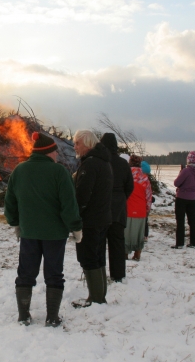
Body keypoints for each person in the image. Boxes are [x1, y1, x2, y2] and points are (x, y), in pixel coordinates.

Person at [5, 132, 82, 327]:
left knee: (26, 273)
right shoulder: (60, 172)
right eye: (55, 151)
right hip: (55, 234)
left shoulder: (19, 171)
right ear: (48, 152)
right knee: (54, 274)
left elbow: (10, 202)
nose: (57, 154)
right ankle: (52, 317)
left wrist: (15, 222)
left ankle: (23, 315)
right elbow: (69, 204)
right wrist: (75, 227)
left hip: (28, 232)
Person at [70, 130, 113, 309]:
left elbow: (82, 195)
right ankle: (99, 296)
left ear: (87, 143)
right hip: (103, 218)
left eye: (77, 143)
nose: (75, 147)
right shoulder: (104, 162)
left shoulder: (90, 165)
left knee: (89, 257)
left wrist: (75, 216)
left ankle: (96, 299)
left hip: (90, 220)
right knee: (98, 256)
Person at [99, 133, 133, 283]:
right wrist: (121, 197)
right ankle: (118, 275)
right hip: (118, 208)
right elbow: (130, 186)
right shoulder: (123, 163)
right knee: (117, 243)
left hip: (101, 206)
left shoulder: (99, 162)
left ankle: (98, 274)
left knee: (99, 243)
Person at [172, 152, 195, 248]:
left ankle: (180, 243)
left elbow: (176, 183)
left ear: (188, 160)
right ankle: (194, 242)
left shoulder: (186, 171)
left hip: (181, 197)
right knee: (192, 220)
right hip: (192, 198)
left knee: (180, 220)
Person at [125, 155, 151, 260]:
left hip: (127, 208)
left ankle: (125, 253)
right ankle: (137, 253)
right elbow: (148, 196)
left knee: (126, 233)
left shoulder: (126, 176)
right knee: (139, 233)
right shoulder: (145, 178)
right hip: (140, 210)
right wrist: (147, 209)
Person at [141, 160, 153, 242]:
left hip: (142, 203)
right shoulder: (145, 181)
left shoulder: (142, 180)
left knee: (144, 220)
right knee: (144, 220)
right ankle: (145, 235)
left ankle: (145, 235)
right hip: (143, 203)